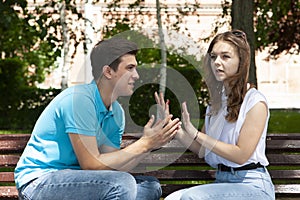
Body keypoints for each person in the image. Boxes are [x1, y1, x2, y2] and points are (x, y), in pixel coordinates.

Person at [14, 37, 181, 200]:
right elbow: (91, 164)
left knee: (150, 187)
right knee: (122, 184)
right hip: (40, 182)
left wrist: (149, 145)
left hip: (80, 179)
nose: (136, 75)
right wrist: (144, 143)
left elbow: (115, 166)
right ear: (108, 71)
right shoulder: (79, 100)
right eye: (129, 68)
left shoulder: (116, 112)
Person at [158, 30, 275, 200]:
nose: (217, 62)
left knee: (191, 198)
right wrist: (175, 128)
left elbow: (241, 155)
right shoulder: (216, 103)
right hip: (223, 182)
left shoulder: (255, 102)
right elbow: (204, 150)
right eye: (213, 57)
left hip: (252, 185)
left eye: (225, 57)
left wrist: (197, 134)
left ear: (241, 62)